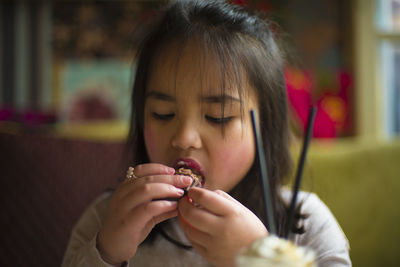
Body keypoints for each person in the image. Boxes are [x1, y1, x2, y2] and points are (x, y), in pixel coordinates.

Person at [61, 1, 351, 266]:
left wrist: (260, 255)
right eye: (163, 113)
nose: (185, 137)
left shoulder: (305, 224)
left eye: (218, 117)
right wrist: (107, 252)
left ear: (264, 127)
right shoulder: (107, 220)